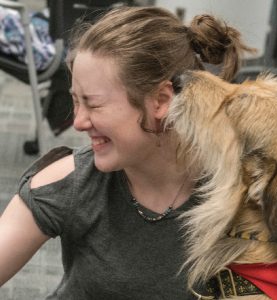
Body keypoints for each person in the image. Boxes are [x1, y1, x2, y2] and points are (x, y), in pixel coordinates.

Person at [0, 6, 252, 299]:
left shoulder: (242, 196)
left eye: (93, 104)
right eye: (75, 101)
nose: (78, 122)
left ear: (160, 100)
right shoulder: (70, 183)